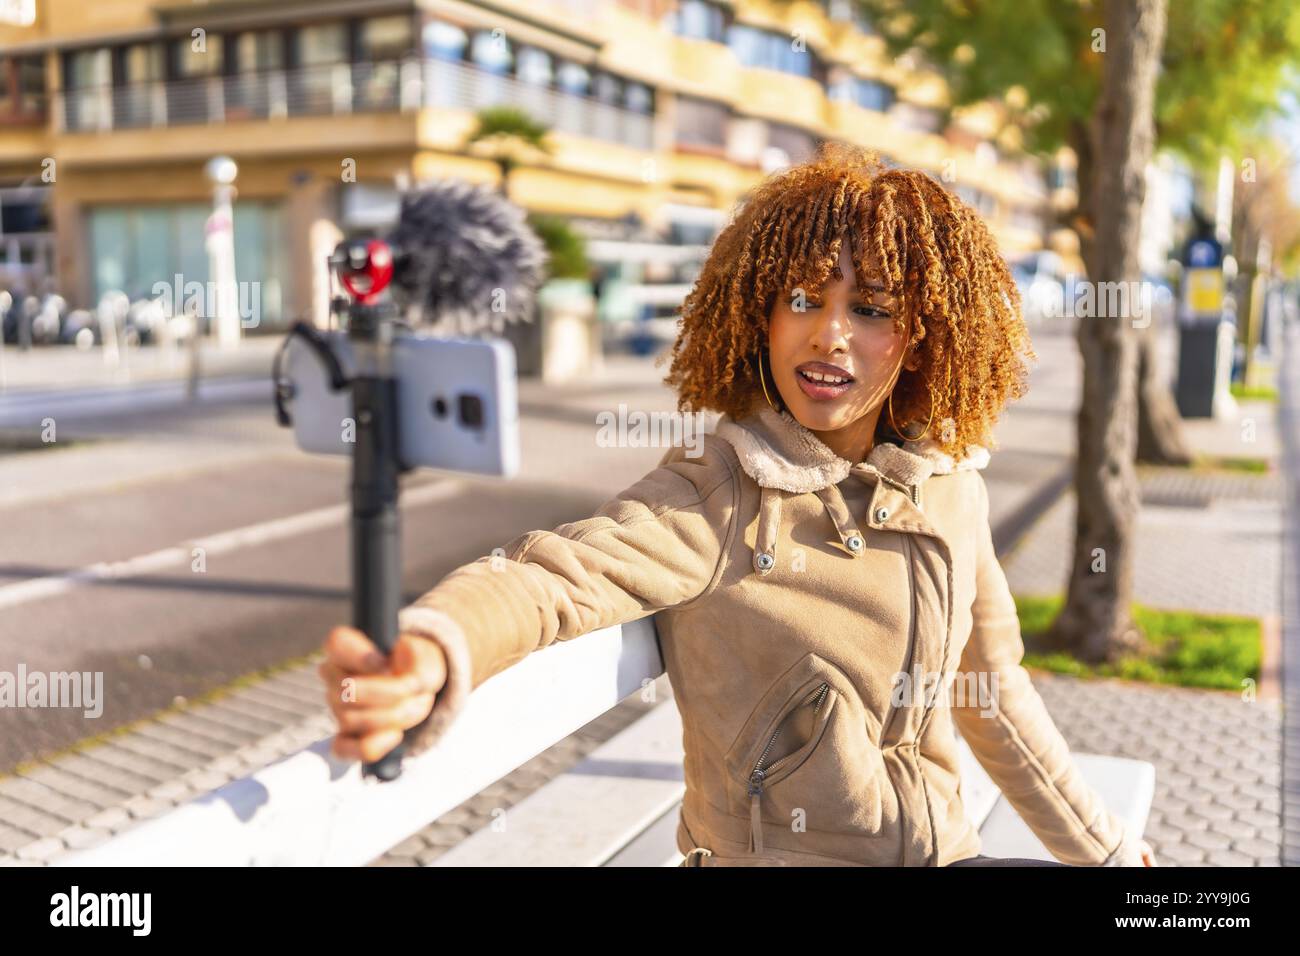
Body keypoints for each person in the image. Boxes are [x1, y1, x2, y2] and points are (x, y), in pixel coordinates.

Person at [318, 141, 1158, 868]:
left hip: (941, 850)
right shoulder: (721, 489)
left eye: (869, 310)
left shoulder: (950, 489)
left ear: (923, 337)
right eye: (802, 298)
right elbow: (553, 576)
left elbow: (995, 692)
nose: (828, 334)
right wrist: (434, 647)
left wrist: (1111, 850)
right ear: (761, 315)